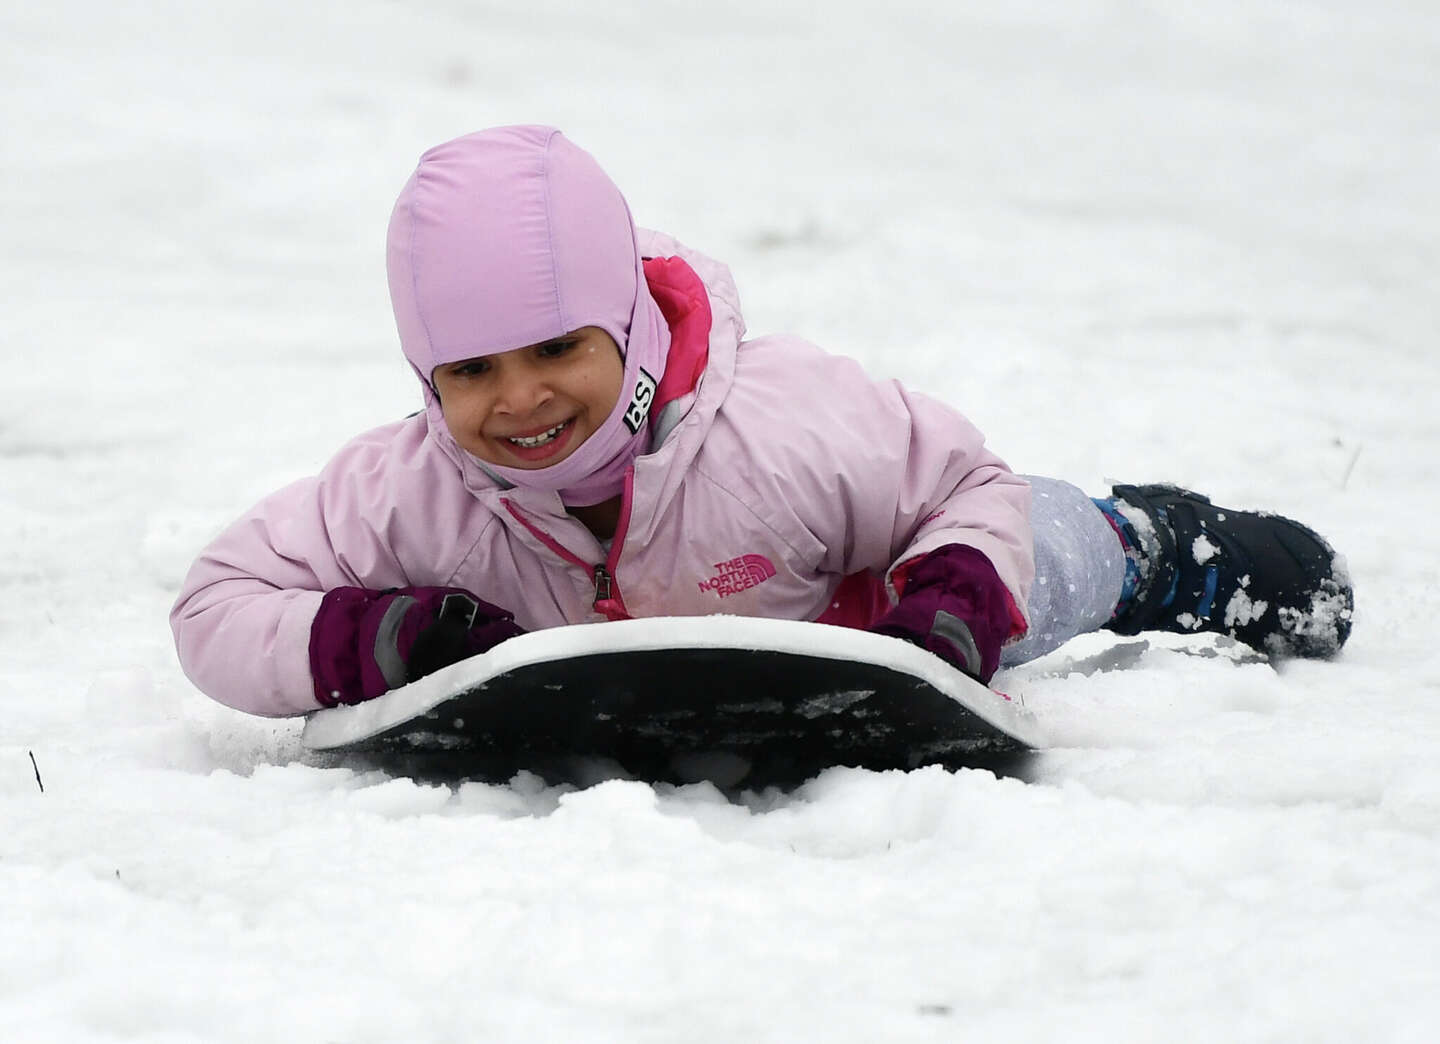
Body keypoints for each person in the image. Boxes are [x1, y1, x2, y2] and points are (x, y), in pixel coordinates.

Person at [170, 125, 1354, 718]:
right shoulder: (405, 491)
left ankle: (1165, 546)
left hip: (877, 602)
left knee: (1043, 557)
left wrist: (948, 608)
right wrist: (378, 641)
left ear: (628, 330)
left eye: (556, 349)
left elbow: (963, 484)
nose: (519, 399)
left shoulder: (784, 420)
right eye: (470, 369)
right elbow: (217, 605)